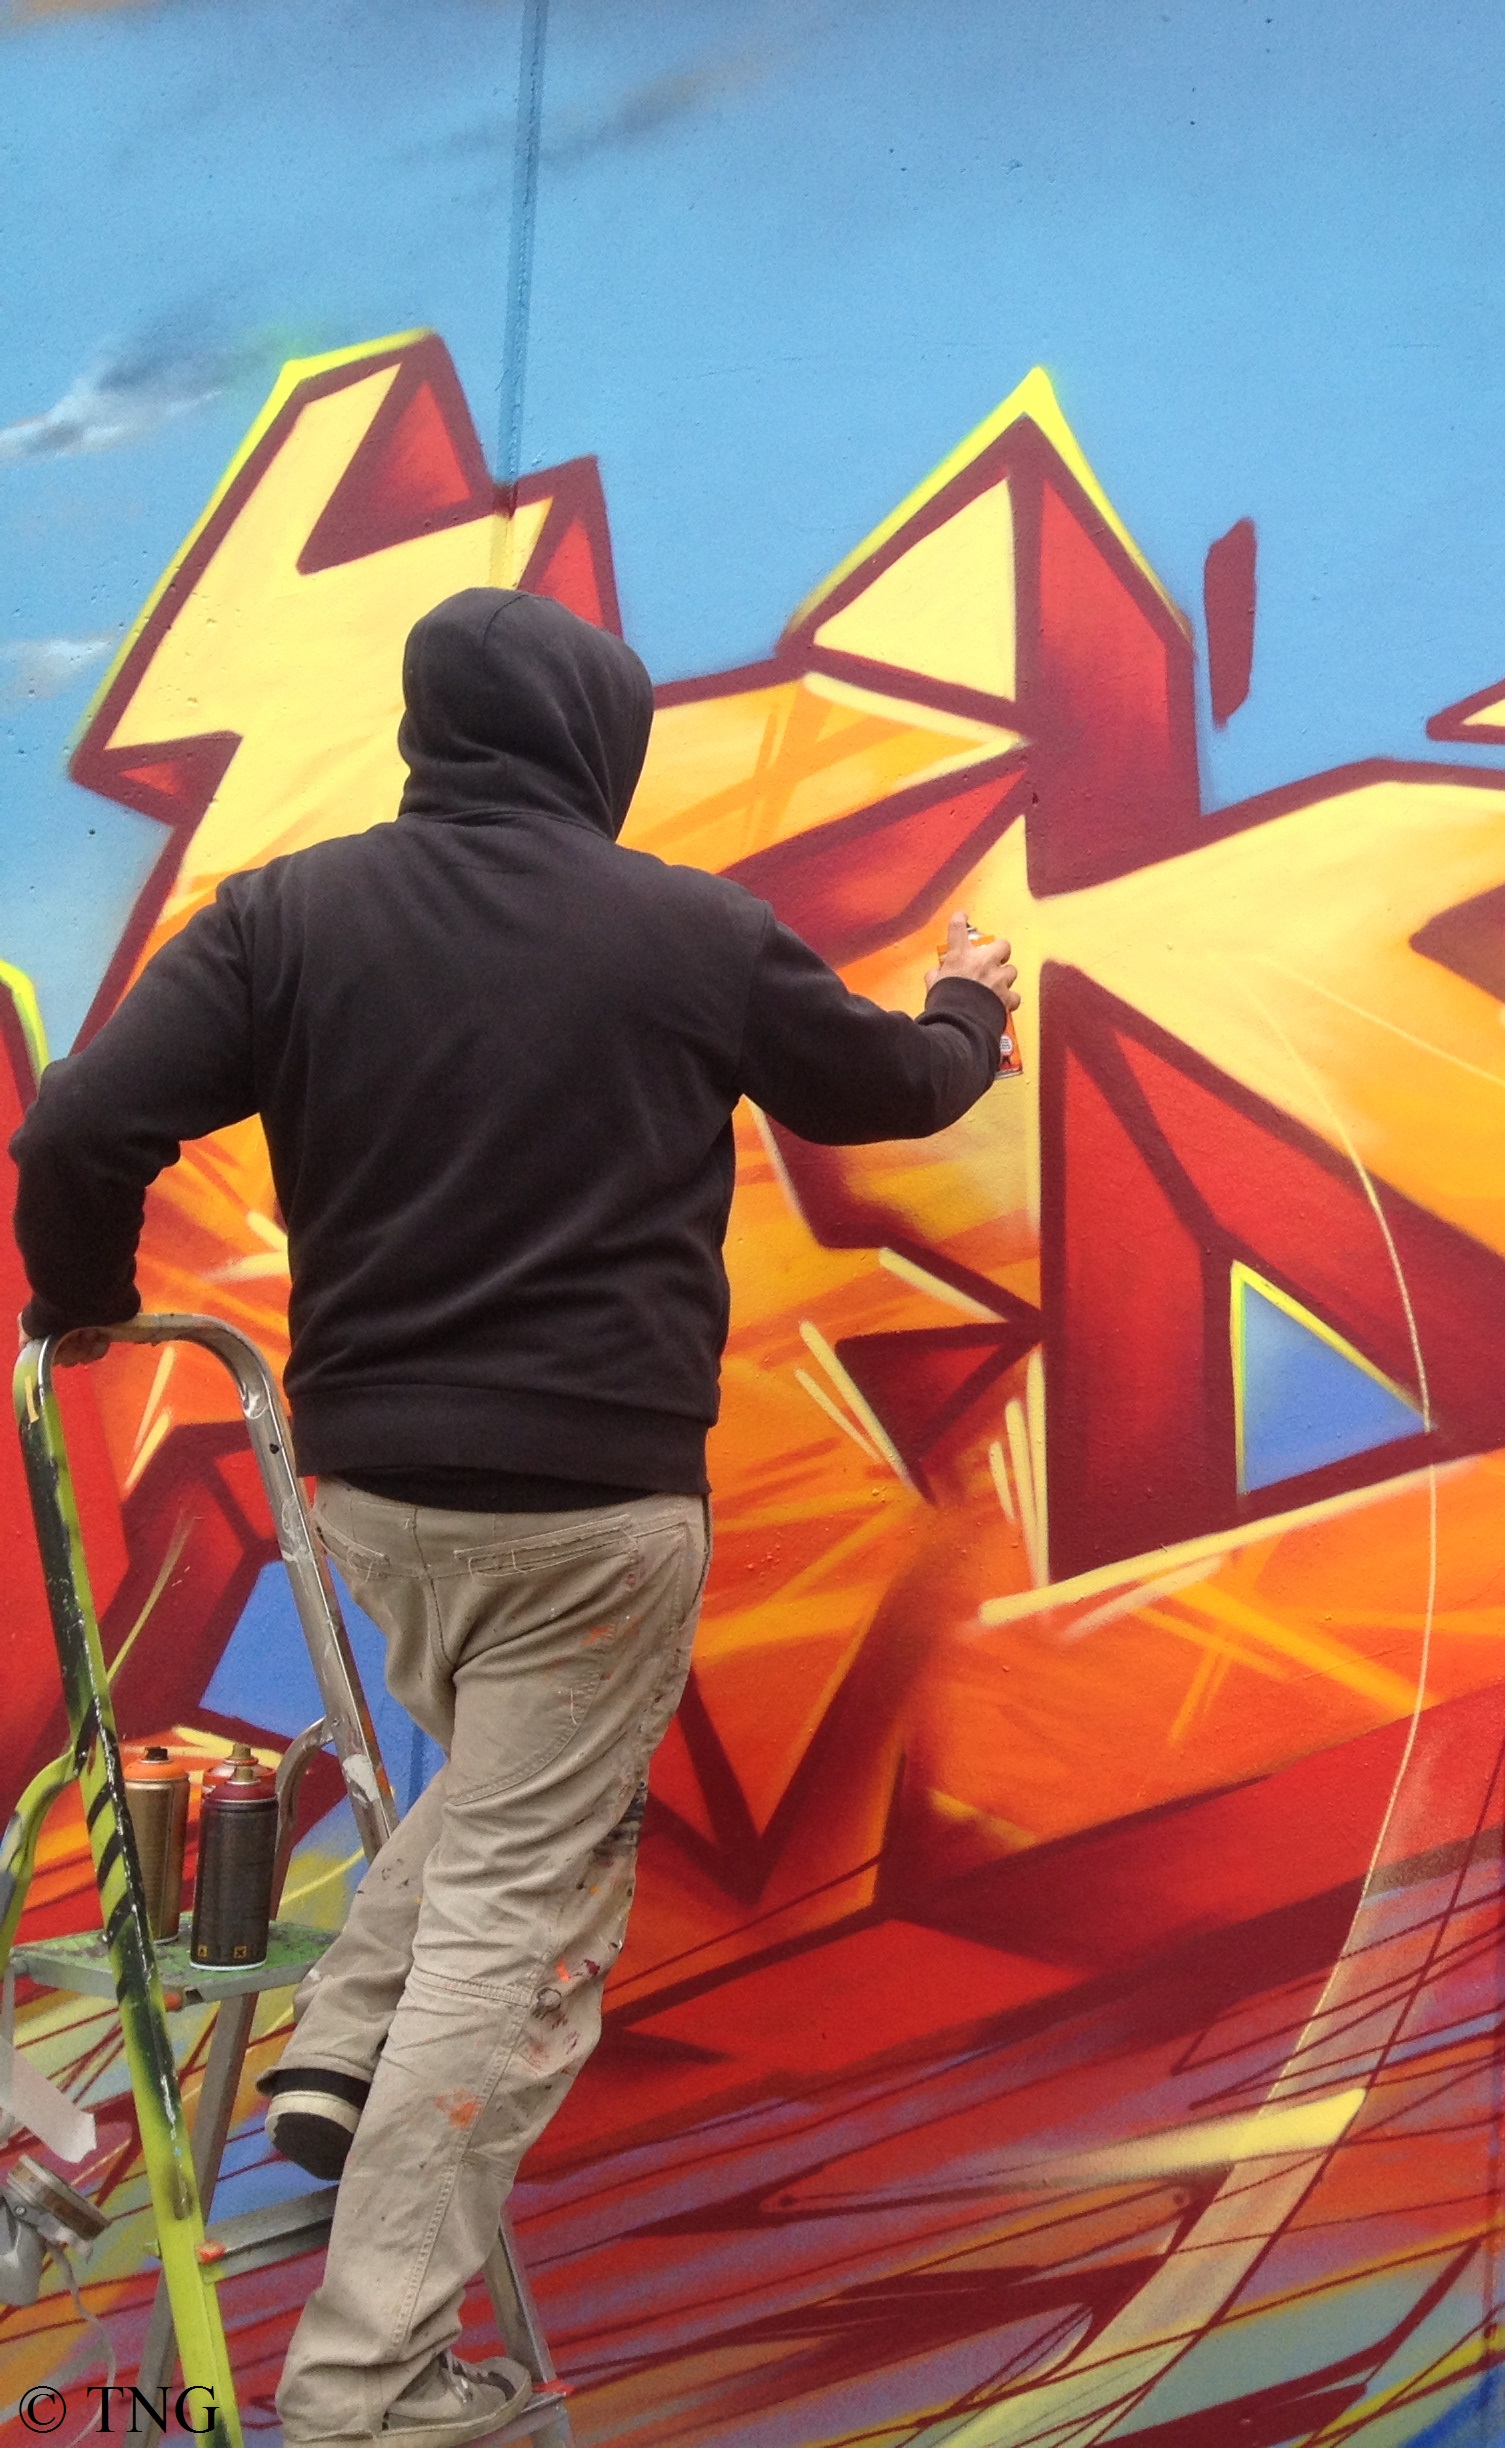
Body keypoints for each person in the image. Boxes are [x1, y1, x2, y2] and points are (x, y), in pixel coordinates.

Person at [8, 585, 1019, 2448]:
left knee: (496, 1806)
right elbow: (889, 1085)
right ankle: (367, 2385)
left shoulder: (287, 917)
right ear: (594, 745)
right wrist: (975, 1003)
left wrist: (80, 1305)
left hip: (379, 1502)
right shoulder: (687, 930)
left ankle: (333, 2062)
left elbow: (77, 1129)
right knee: (520, 1926)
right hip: (593, 1512)